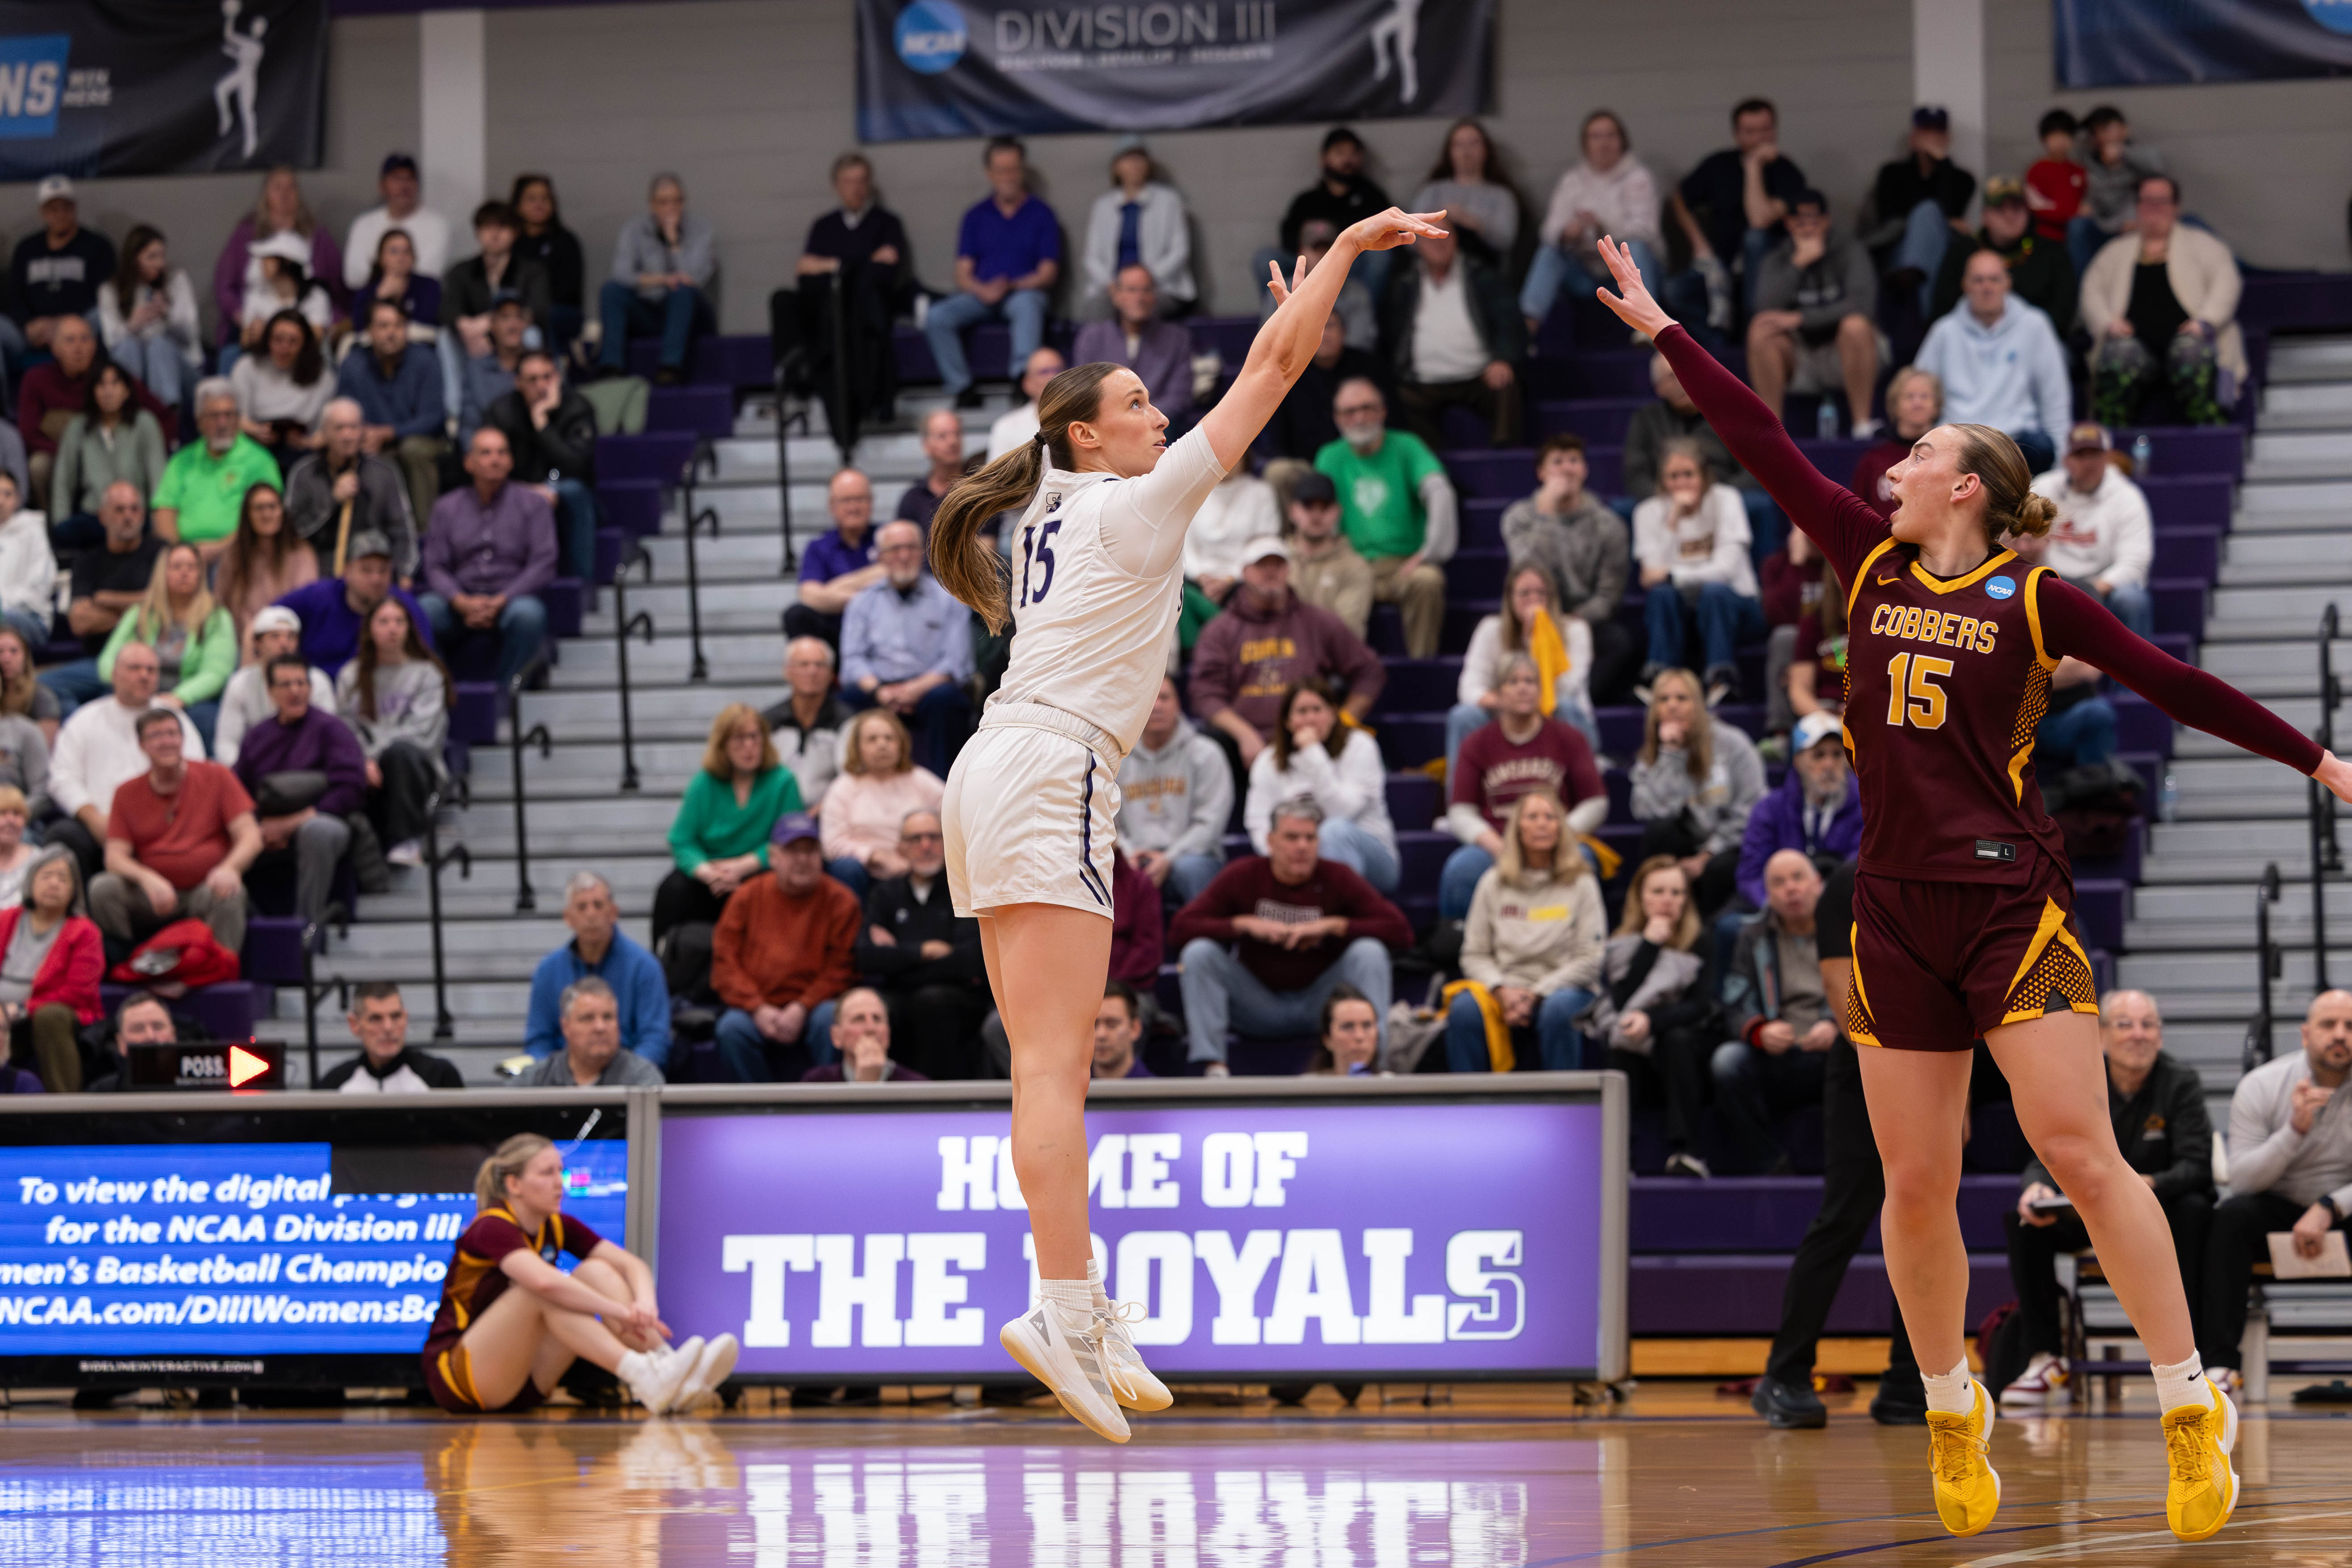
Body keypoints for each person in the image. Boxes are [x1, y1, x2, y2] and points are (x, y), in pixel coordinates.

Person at [1595, 233, 2339, 1540]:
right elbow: (1757, 429)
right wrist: (1665, 330)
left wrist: (2318, 755)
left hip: (2004, 901)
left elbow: (2180, 683)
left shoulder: (2037, 599)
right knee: (1914, 1181)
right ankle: (1948, 1398)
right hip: (1888, 907)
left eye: (1919, 455)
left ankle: (2183, 1397)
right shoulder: (1861, 552)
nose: (1891, 463)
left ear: (1972, 489)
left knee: (2075, 1150)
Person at [922, 201, 1442, 1441]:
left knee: (1037, 1067)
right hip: (1054, 770)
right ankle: (1058, 1303)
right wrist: (1341, 264)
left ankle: (1084, 1302)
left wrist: (1294, 300)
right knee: (1057, 1070)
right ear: (1092, 438)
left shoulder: (1053, 505)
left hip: (993, 762)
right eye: (1145, 408)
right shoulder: (1129, 503)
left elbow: (1271, 355)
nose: (1164, 417)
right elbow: (1275, 372)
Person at [1748, 856, 1927, 1428]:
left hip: (1931, 1068)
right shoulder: (1849, 883)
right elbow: (1841, 994)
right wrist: (1901, 1079)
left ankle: (1909, 1379)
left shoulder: (1936, 876)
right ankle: (1785, 1372)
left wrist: (1957, 1094)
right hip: (1865, 1068)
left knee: (1923, 1218)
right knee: (1845, 1216)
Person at [2003, 988, 2211, 1408]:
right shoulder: (2079, 1078)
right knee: (2023, 1220)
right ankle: (2046, 1357)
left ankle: (2194, 1361)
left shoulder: (2180, 1081)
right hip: (2088, 1207)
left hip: (2159, 1208)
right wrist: (2036, 1186)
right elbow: (2046, 1151)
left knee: (2198, 1209)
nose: (2138, 1034)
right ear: (2100, 1037)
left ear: (2161, 1035)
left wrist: (2143, 1186)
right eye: (2126, 1024)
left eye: (2148, 1024)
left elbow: (2197, 1165)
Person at [419, 1132, 727, 1416]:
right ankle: (642, 1374)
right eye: (546, 1173)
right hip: (462, 1378)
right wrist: (621, 1311)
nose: (559, 1182)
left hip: (527, 1381)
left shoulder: (556, 1224)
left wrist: (645, 1305)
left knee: (597, 1270)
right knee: (538, 1290)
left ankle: (668, 1367)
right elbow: (544, 1281)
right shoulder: (491, 1225)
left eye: (560, 1171)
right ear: (514, 1185)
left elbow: (633, 1265)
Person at [1173, 797, 1411, 1072]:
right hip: (1258, 1004)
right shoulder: (1245, 875)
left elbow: (1400, 931)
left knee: (1370, 952)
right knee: (1199, 953)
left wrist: (1334, 926)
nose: (1302, 846)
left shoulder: (1337, 876)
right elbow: (1181, 928)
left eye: (1310, 838)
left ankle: (1372, 1067)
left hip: (1323, 1004)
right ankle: (1214, 1068)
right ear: (1271, 841)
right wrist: (1244, 925)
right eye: (1292, 837)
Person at [2199, 989, 2352, 1400]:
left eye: (2350, 1026)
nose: (2340, 1035)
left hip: (2344, 1205)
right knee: (2229, 1218)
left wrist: (2330, 1207)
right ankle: (2221, 1366)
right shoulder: (2262, 1085)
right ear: (2305, 1034)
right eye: (2328, 1025)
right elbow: (2243, 1180)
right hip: (2277, 1205)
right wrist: (2294, 1131)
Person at [1188, 537, 1385, 788]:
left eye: (1278, 565)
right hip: (1244, 744)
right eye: (1262, 566)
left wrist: (1342, 721)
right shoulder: (1220, 631)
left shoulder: (1318, 621)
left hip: (1310, 735)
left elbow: (1369, 672)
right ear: (1244, 573)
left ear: (1289, 571)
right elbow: (1205, 694)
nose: (1271, 573)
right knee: (1207, 744)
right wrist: (1245, 735)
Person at [1446, 789, 1606, 1072]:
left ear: (1561, 827)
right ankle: (1470, 1109)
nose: (1542, 824)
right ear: (1517, 829)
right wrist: (1500, 989)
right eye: (1532, 817)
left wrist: (1538, 993)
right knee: (1464, 1010)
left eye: (1550, 817)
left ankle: (1564, 1106)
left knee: (1559, 1009)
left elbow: (1591, 958)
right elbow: (1475, 954)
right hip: (1504, 987)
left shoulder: (1582, 882)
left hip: (1565, 988)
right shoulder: (1493, 882)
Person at [1442, 653, 1609, 920]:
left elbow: (1596, 802)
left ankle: (1581, 949)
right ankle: (1460, 951)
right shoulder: (1476, 743)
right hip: (1498, 842)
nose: (1523, 688)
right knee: (1460, 870)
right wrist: (1498, 846)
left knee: (1583, 861)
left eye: (1531, 681)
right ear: (1498, 693)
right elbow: (1461, 811)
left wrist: (1560, 835)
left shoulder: (1570, 738)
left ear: (1541, 691)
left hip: (1556, 840)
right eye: (1513, 681)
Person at [1710, 849, 1839, 1173]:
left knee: (1872, 1056)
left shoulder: (1846, 929)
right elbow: (1734, 999)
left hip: (1835, 1046)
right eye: (1779, 883)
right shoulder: (1752, 935)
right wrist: (1760, 1030)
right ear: (1768, 895)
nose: (1790, 889)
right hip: (1780, 1051)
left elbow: (1868, 989)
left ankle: (1857, 1167)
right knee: (1727, 1062)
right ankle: (1771, 1164)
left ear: (1818, 884)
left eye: (1798, 878)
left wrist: (1837, 1023)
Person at [89, 707, 256, 954]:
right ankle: (127, 966)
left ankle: (219, 975)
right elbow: (114, 857)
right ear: (142, 745)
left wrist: (230, 868)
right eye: (156, 736)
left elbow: (251, 835)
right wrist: (147, 878)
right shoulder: (126, 793)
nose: (166, 742)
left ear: (182, 739)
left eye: (172, 734)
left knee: (230, 890)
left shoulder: (217, 775)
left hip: (206, 886)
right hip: (152, 895)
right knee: (103, 888)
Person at [2081, 175, 2243, 429]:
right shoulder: (2114, 252)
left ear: (2176, 207)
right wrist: (2107, 323)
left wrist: (2206, 322)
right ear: (2138, 206)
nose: (2154, 207)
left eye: (2162, 201)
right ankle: (2110, 448)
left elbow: (2227, 283)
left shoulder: (2204, 245)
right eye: (2147, 201)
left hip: (2190, 341)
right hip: (2134, 348)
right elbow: (2091, 291)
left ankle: (2212, 439)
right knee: (2118, 356)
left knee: (2191, 352)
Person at [1592, 854, 1719, 1175]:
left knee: (1677, 1039)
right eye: (1658, 891)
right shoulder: (1621, 944)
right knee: (1621, 1046)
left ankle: (1686, 1153)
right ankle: (1620, 1160)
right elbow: (1620, 1000)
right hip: (1636, 1051)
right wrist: (1648, 945)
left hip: (1685, 1055)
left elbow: (1701, 1005)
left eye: (1677, 892)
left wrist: (1652, 1021)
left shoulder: (1701, 941)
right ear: (1640, 896)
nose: (1668, 900)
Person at [710, 814, 859, 1082]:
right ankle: (760, 1109)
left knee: (831, 1021)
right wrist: (757, 1007)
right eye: (793, 851)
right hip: (755, 1007)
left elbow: (841, 968)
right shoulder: (746, 896)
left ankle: (825, 1105)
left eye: (811, 851)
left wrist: (802, 1007)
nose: (803, 860)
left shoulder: (842, 901)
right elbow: (725, 963)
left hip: (816, 1007)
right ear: (773, 856)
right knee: (732, 1029)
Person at [1314, 378, 1455, 657]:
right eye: (1350, 412)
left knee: (1428, 580)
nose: (1360, 418)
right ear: (1337, 419)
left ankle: (1422, 671)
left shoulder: (1407, 446)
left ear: (1383, 412)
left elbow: (1439, 491)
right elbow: (1320, 513)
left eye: (1368, 408)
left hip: (1400, 566)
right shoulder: (1330, 456)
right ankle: (1337, 679)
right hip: (1351, 563)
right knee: (1320, 583)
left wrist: (1431, 553)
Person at [44, 643, 204, 878]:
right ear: (114, 674)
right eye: (135, 668)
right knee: (64, 834)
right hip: (100, 824)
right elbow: (62, 777)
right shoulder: (86, 719)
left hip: (165, 826)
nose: (144, 676)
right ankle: (82, 913)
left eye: (151, 670)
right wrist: (93, 818)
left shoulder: (174, 720)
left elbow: (195, 773)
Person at [1499, 433, 1635, 706]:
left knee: (1620, 643)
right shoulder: (1518, 518)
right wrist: (1546, 515)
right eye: (1557, 462)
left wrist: (1576, 619)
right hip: (1533, 614)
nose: (1566, 469)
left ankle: (1568, 704)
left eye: (1573, 461)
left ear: (1585, 470)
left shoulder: (1609, 525)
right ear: (1541, 472)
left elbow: (1609, 595)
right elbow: (1525, 571)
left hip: (1583, 619)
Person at [230, 653, 366, 925]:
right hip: (266, 825)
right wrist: (257, 828)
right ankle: (255, 927)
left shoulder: (332, 729)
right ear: (270, 692)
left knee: (316, 832)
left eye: (302, 684)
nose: (296, 691)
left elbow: (352, 788)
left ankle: (305, 930)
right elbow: (236, 792)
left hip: (324, 819)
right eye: (286, 685)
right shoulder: (257, 737)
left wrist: (292, 823)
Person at [654, 703, 804, 948]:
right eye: (738, 739)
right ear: (722, 745)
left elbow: (789, 839)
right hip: (710, 874)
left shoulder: (783, 781)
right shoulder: (704, 783)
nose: (749, 747)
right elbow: (682, 839)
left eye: (754, 737)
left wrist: (743, 866)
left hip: (760, 869)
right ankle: (669, 963)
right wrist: (707, 872)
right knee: (673, 891)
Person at [420, 427, 557, 692]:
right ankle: (442, 692)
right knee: (425, 610)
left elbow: (544, 562)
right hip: (460, 600)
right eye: (486, 453)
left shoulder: (534, 504)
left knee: (529, 615)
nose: (495, 460)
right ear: (468, 463)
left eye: (502, 453)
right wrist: (460, 601)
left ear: (511, 461)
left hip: (511, 598)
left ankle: (505, 695)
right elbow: (435, 565)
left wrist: (501, 600)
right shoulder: (446, 507)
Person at [926, 138, 1061, 407]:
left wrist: (1012, 285)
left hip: (1022, 292)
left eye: (1013, 169)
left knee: (1028, 304)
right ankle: (962, 388)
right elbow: (962, 274)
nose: (1007, 177)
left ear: (1022, 171)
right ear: (989, 173)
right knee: (937, 316)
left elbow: (1048, 273)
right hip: (982, 295)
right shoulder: (976, 216)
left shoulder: (1041, 214)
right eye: (1001, 170)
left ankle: (1021, 380)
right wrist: (982, 290)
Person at [1913, 248, 2071, 475]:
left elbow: (2055, 399)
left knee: (2043, 448)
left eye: (1994, 280)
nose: (1987, 287)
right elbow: (1918, 389)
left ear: (2008, 283)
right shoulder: (1944, 331)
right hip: (1958, 444)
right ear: (1965, 285)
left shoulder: (2035, 326)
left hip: (2017, 446)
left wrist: (2060, 466)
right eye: (1978, 280)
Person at [856, 809, 988, 1079]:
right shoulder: (885, 894)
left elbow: (968, 962)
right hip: (900, 997)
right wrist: (923, 951)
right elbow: (867, 957)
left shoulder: (963, 889)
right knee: (870, 1009)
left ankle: (937, 1099)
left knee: (930, 1002)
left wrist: (898, 958)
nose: (925, 846)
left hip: (955, 998)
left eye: (933, 837)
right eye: (915, 839)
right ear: (900, 849)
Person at [1627, 666, 1765, 919]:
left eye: (1682, 698)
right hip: (1684, 844)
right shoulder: (1654, 754)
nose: (1673, 706)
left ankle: (1706, 934)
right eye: (1664, 699)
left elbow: (1751, 810)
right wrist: (1669, 757)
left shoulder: (1734, 744)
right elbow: (1646, 811)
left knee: (1719, 869)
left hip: (1727, 844)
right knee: (1661, 831)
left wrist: (1706, 855)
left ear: (1699, 704)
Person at [839, 519, 973, 776]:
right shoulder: (861, 602)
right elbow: (853, 660)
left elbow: (957, 661)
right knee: (843, 703)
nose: (903, 556)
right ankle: (852, 788)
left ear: (922, 553)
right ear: (880, 557)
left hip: (929, 689)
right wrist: (881, 691)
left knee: (948, 701)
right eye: (895, 549)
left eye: (911, 548)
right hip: (878, 688)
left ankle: (943, 789)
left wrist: (913, 690)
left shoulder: (950, 600)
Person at [1747, 190, 1883, 440]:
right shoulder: (1778, 257)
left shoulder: (1850, 250)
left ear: (1827, 220)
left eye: (1815, 221)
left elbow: (1863, 304)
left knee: (1856, 325)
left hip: (1846, 354)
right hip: (1800, 357)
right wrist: (1799, 263)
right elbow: (1764, 308)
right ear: (1788, 224)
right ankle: (1773, 434)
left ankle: (1862, 426)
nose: (1808, 228)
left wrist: (1801, 318)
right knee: (1760, 329)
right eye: (1800, 222)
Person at [1634, 439, 1763, 702]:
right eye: (1673, 477)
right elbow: (1650, 576)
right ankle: (1662, 681)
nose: (1681, 484)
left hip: (1735, 605)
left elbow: (1725, 570)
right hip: (1680, 611)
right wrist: (1673, 520)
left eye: (1689, 475)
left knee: (1714, 592)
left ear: (1704, 476)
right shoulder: (1646, 512)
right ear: (1662, 480)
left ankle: (1721, 679)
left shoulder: (1727, 500)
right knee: (1661, 596)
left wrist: (1671, 575)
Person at [794, 152, 911, 441]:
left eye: (861, 181)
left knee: (867, 305)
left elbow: (889, 265)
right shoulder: (825, 225)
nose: (855, 188)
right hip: (832, 312)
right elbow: (804, 268)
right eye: (848, 182)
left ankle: (875, 400)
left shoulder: (887, 222)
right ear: (836, 185)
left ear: (869, 184)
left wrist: (837, 265)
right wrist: (858, 263)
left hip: (872, 311)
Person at [1378, 225, 1524, 448]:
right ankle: (1430, 467)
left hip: (1480, 375)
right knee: (1395, 398)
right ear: (1416, 244)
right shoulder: (1403, 285)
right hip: (1423, 381)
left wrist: (1502, 358)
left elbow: (1510, 322)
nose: (1439, 242)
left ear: (1456, 239)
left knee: (1507, 387)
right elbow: (1391, 334)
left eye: (1445, 234)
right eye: (1430, 236)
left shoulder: (1482, 276)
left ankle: (1504, 458)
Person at [1243, 682, 1398, 892]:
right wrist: (1281, 860)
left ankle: (1337, 914)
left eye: (1318, 710)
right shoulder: (1268, 760)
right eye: (1302, 712)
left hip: (1375, 859)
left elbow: (1341, 811)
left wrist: (1312, 752)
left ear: (1334, 715)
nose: (1310, 719)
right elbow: (1258, 820)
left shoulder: (1361, 746)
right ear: (1288, 722)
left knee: (1334, 831)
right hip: (1297, 859)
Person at [1522, 110, 1663, 334]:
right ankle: (1527, 327)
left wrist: (1603, 229)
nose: (1603, 143)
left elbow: (1647, 230)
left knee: (1636, 248)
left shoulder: (1638, 177)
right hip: (1586, 274)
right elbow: (1548, 230)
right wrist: (1567, 233)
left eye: (1610, 136)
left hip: (1628, 274)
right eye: (1596, 137)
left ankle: (1645, 329)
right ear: (1585, 144)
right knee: (1550, 251)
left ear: (1622, 141)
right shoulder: (1573, 180)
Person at [1670, 98, 1807, 325]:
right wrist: (1699, 243)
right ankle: (1717, 342)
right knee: (1675, 290)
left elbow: (1760, 220)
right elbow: (1679, 197)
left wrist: (1754, 166)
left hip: (1770, 268)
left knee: (1755, 239)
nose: (1759, 139)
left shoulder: (1788, 173)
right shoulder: (1719, 164)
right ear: (1737, 135)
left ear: (1775, 131)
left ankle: (1754, 330)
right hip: (1720, 264)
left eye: (1765, 130)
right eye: (1750, 132)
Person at [19, 317, 171, 516]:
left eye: (85, 339)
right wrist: (73, 451)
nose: (78, 348)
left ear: (94, 346)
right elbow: (29, 434)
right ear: (54, 347)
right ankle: (50, 524)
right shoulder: (37, 378)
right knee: (39, 465)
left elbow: (164, 416)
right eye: (70, 340)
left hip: (108, 455)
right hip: (59, 454)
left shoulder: (111, 377)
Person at [335, 597, 448, 865]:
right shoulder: (351, 676)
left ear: (409, 628)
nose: (392, 629)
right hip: (366, 770)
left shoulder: (427, 675)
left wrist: (375, 756)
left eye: (400, 622)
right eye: (384, 622)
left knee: (399, 754)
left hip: (417, 768)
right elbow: (344, 729)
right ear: (370, 630)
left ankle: (407, 842)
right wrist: (363, 761)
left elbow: (424, 734)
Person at [1453, 563, 1598, 769]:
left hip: (1556, 718)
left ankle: (1579, 789)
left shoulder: (1576, 631)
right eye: (1525, 593)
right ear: (1510, 599)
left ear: (1552, 598)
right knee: (1463, 716)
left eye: (1541, 593)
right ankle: (1462, 799)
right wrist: (1506, 703)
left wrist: (1537, 641)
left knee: (1565, 705)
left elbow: (1566, 688)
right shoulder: (1490, 629)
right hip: (1505, 720)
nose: (1534, 600)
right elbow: (1469, 688)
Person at [525, 872, 669, 1075]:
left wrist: (627, 1078)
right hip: (563, 1087)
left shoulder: (645, 967)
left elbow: (655, 1040)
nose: (591, 914)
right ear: (568, 918)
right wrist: (559, 1080)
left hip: (626, 1086)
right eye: (582, 907)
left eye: (598, 905)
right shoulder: (547, 971)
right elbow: (538, 1043)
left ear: (614, 912)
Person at [95, 541, 236, 748]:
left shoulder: (216, 617)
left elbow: (217, 672)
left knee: (206, 717)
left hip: (190, 699)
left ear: (201, 574)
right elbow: (108, 660)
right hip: (140, 691)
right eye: (177, 567)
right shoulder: (141, 613)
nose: (185, 573)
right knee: (108, 701)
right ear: (163, 573)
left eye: (192, 567)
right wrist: (125, 685)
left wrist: (180, 697)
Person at [2021, 423, 2154, 639]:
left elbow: (2136, 563)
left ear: (2107, 458)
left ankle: (2133, 673)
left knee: (2132, 599)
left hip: (2102, 588)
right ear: (2066, 461)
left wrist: (2090, 591)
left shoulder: (2128, 497)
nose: (2089, 463)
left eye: (2096, 455)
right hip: (2050, 585)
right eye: (2081, 456)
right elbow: (2017, 540)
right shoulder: (2043, 489)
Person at [336, 300, 449, 538]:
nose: (392, 333)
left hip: (423, 442)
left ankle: (424, 537)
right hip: (372, 443)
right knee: (357, 453)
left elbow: (434, 419)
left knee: (413, 450)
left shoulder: (425, 360)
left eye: (398, 326)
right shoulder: (354, 364)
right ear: (369, 332)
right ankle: (372, 540)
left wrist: (389, 432)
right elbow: (344, 413)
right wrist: (363, 435)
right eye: (384, 326)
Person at [1116, 676, 1232, 908]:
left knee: (1190, 868)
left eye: (1165, 698)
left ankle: (1203, 942)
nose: (1157, 706)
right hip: (1132, 858)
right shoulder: (1118, 759)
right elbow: (1108, 823)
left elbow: (1210, 826)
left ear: (1179, 704)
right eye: (1151, 698)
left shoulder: (1207, 754)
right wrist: (1128, 855)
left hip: (1192, 857)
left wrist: (1169, 858)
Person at [484, 350, 599, 583]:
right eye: (533, 380)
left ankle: (581, 588)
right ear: (518, 383)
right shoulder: (502, 412)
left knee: (572, 490)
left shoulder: (577, 408)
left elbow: (575, 466)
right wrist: (526, 491)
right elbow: (490, 466)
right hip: (515, 489)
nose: (542, 386)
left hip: (564, 489)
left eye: (547, 377)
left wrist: (543, 425)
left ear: (557, 378)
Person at [211, 168, 345, 358]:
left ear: (287, 263)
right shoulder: (257, 295)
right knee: (232, 357)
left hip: (303, 354)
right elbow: (246, 337)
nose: (284, 194)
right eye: (277, 188)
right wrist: (247, 324)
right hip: (260, 345)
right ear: (265, 193)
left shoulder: (315, 297)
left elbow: (336, 290)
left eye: (291, 188)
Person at [1736, 710, 1862, 911]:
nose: (1829, 764)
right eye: (1819, 755)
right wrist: (1779, 906)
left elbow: (1862, 872)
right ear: (1798, 761)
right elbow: (1751, 876)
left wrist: (1824, 904)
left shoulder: (1865, 809)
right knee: (1729, 926)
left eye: (1837, 754)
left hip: (1843, 908)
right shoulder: (1769, 809)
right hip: (1781, 909)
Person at [283, 398, 418, 583]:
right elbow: (290, 534)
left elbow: (402, 529)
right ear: (324, 432)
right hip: (318, 575)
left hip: (373, 575)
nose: (347, 436)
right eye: (339, 428)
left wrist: (404, 573)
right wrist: (332, 502)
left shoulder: (384, 472)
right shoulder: (304, 473)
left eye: (354, 428)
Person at [598, 173, 716, 385]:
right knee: (611, 290)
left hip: (692, 315)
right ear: (652, 205)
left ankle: (670, 367)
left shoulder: (702, 230)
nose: (670, 207)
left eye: (676, 200)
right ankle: (611, 366)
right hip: (652, 310)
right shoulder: (635, 230)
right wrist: (663, 279)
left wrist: (674, 243)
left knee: (682, 289)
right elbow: (621, 273)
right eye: (663, 202)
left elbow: (692, 279)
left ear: (684, 202)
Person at [0, 847, 101, 1092]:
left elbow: (78, 992)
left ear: (74, 890)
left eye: (63, 878)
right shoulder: (5, 919)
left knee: (51, 1016)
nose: (54, 884)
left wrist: (23, 1009)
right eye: (46, 876)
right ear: (30, 881)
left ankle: (64, 1111)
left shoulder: (85, 931)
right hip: (3, 1014)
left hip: (50, 1016)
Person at [819, 708, 945, 899]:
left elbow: (954, 821)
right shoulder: (844, 787)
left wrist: (917, 857)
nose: (882, 745)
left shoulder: (922, 780)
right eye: (872, 739)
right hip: (865, 872)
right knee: (845, 867)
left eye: (889, 738)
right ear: (857, 747)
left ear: (901, 744)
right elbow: (833, 843)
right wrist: (875, 856)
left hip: (919, 866)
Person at [152, 379, 283, 562]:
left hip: (240, 555)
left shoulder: (260, 461)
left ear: (238, 420)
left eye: (229, 415)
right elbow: (164, 511)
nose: (223, 423)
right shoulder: (181, 461)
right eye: (214, 416)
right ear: (199, 422)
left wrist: (219, 548)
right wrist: (180, 554)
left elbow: (266, 518)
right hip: (187, 559)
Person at [274, 530, 433, 678]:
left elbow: (425, 661)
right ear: (347, 571)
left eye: (383, 571)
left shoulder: (406, 608)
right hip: (314, 692)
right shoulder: (317, 597)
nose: (376, 579)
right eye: (366, 570)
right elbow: (269, 617)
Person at [1928, 177, 2078, 333]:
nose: (2010, 216)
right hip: (1970, 339)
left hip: (2035, 339)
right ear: (1985, 216)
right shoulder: (1963, 251)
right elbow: (1943, 309)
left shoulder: (2052, 252)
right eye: (2000, 209)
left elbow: (2062, 314)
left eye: (2017, 208)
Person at [1866, 107, 1977, 315]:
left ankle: (1918, 317)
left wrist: (1942, 163)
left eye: (1937, 133)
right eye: (1926, 132)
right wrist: (1945, 220)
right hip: (1899, 249)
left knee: (1930, 221)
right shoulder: (1891, 174)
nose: (1932, 139)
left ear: (1947, 138)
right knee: (1926, 212)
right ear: (1914, 137)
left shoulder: (1962, 179)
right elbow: (1890, 216)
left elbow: (1950, 206)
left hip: (1943, 250)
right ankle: (1926, 318)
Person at [50, 362, 168, 544]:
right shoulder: (78, 427)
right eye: (101, 385)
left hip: (135, 516)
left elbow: (158, 478)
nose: (108, 391)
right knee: (65, 533)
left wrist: (158, 524)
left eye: (115, 384)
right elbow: (64, 479)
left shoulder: (145, 423)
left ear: (127, 391)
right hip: (94, 515)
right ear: (93, 392)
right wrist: (60, 522)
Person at [1081, 138, 1194, 315]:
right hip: (1114, 289)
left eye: (1140, 158)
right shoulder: (1102, 206)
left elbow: (1179, 252)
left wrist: (1143, 284)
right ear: (1116, 167)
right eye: (1128, 159)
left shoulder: (1169, 201)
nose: (1135, 165)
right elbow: (1092, 258)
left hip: (1160, 287)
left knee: (1143, 308)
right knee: (1097, 310)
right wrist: (1113, 286)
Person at [7, 176, 113, 361]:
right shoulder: (26, 249)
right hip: (33, 331)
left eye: (66, 207)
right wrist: (28, 324)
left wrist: (63, 324)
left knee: (101, 317)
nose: (60, 214)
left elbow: (105, 297)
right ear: (43, 212)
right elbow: (13, 296)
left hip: (80, 327)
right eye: (53, 209)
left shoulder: (97, 246)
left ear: (74, 208)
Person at [1072, 266, 1197, 423]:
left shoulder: (1177, 339)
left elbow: (1180, 396)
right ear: (1116, 296)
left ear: (1154, 296)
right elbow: (1083, 391)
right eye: (1131, 290)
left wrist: (1140, 416)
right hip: (1106, 427)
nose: (1140, 297)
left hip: (1157, 426)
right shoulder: (1092, 338)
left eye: (1146, 290)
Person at [1260, 301, 1381, 462]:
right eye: (1317, 327)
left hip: (1369, 456)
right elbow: (1275, 435)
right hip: (1305, 468)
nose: (1324, 333)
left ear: (1344, 331)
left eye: (1331, 326)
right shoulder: (1288, 372)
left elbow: (1394, 420)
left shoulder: (1370, 367)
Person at [98, 226, 201, 413]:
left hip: (183, 371)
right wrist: (133, 326)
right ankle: (128, 413)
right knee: (128, 346)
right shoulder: (110, 289)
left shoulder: (176, 281)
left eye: (162, 256)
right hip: (137, 368)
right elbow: (111, 343)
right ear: (134, 259)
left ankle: (165, 418)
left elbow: (191, 338)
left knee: (159, 345)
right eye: (152, 257)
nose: (159, 264)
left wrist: (167, 316)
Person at [217, 606, 334, 770]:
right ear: (257, 643)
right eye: (275, 637)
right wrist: (243, 775)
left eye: (291, 637)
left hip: (308, 771)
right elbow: (227, 743)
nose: (284, 644)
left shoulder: (317, 681)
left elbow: (329, 737)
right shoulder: (240, 683)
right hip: (255, 771)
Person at [785, 469, 882, 646]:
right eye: (846, 500)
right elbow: (809, 597)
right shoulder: (819, 547)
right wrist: (868, 586)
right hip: (837, 632)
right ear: (832, 507)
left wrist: (831, 590)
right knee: (796, 615)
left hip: (881, 630)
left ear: (871, 503)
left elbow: (895, 572)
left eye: (860, 499)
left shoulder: (887, 537)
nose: (854, 507)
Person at [442, 202, 550, 362]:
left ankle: (533, 382)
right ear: (478, 233)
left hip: (516, 332)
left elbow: (539, 309)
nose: (495, 234)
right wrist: (466, 325)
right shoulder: (463, 271)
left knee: (532, 335)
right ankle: (455, 388)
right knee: (446, 338)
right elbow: (448, 308)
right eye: (487, 228)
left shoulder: (531, 271)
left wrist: (492, 323)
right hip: (475, 337)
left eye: (502, 227)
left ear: (515, 233)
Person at [1408, 118, 1521, 270]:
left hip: (1482, 269)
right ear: (1450, 152)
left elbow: (1506, 241)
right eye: (1459, 145)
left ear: (1486, 149)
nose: (1466, 152)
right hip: (1435, 270)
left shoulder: (1502, 195)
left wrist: (1471, 223)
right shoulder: (1432, 191)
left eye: (1473, 144)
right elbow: (1409, 237)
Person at [214, 482, 319, 641]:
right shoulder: (234, 553)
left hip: (288, 641)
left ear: (282, 511)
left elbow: (305, 603)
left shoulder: (301, 552)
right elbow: (221, 601)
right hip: (243, 640)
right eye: (259, 508)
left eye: (273, 507)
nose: (267, 514)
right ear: (247, 515)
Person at [2069, 106, 2166, 277]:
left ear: (2124, 130)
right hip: (2105, 227)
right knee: (2078, 226)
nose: (2102, 137)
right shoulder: (2087, 162)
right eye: (2096, 132)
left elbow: (2161, 171)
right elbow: (2092, 203)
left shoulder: (2141, 156)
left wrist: (2124, 154)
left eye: (2106, 129)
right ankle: (2082, 291)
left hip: (2137, 227)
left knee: (2192, 223)